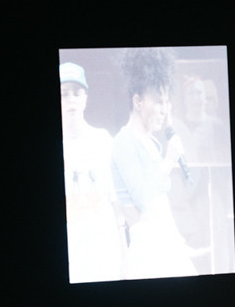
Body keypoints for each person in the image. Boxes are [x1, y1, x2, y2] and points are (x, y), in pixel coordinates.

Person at [112, 47, 200, 277]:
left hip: (165, 245)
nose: (164, 110)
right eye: (159, 102)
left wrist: (178, 242)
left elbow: (161, 203)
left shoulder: (152, 143)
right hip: (147, 251)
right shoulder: (123, 143)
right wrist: (169, 160)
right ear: (138, 101)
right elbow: (143, 197)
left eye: (167, 102)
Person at [60, 62, 124, 282]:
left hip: (104, 257)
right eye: (64, 94)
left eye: (76, 93)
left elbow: (118, 204)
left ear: (85, 98)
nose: (71, 100)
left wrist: (125, 256)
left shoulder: (103, 142)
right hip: (72, 260)